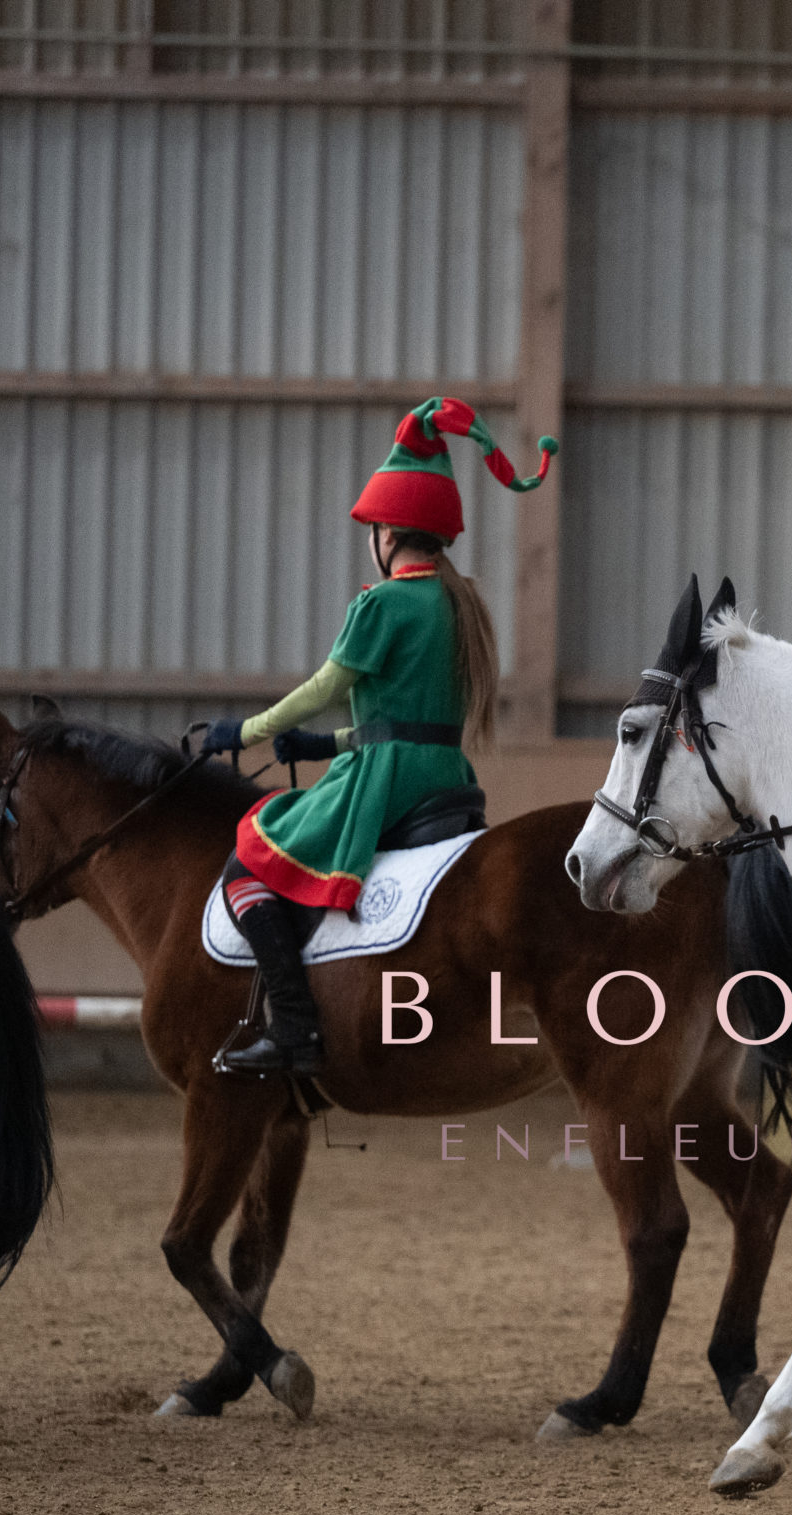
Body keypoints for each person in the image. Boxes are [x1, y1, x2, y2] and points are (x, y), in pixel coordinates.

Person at [200, 398, 555, 1075]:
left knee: (250, 858)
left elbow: (324, 688)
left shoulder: (383, 602)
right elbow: (407, 718)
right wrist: (324, 747)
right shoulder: (460, 604)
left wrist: (245, 731)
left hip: (386, 783)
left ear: (388, 532)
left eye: (373, 528)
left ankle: (294, 1028)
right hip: (446, 775)